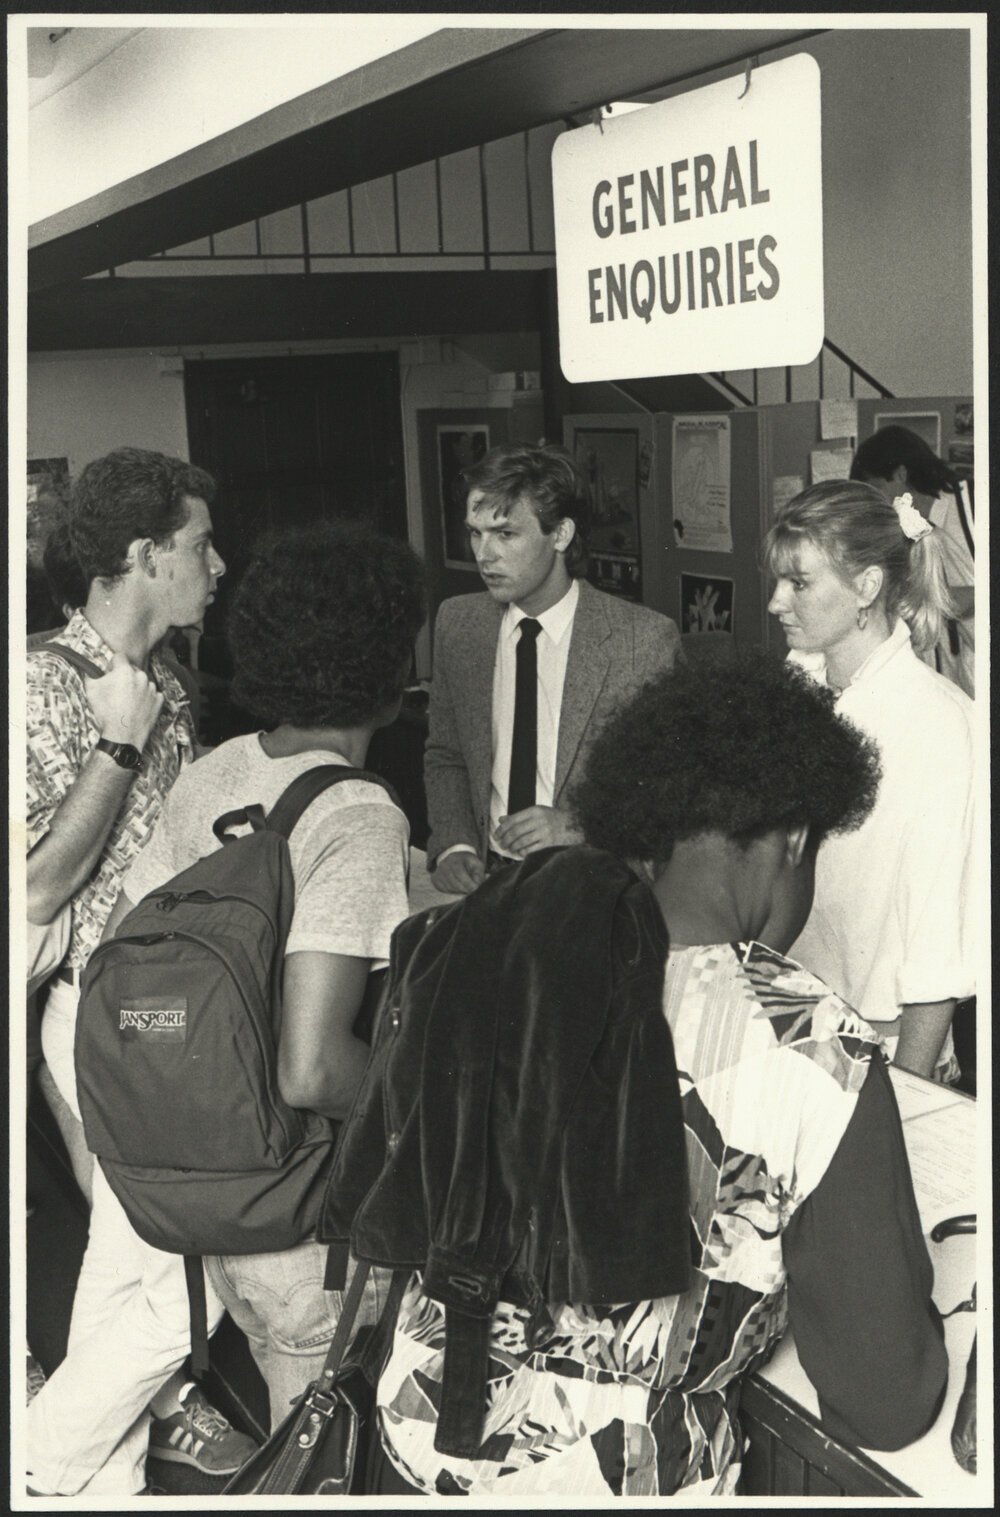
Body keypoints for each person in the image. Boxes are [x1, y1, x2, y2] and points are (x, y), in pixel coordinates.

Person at [370, 655, 947, 1497]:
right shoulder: (816, 1045)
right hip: (617, 1482)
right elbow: (883, 1400)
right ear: (793, 840)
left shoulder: (483, 941)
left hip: (412, 1447)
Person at [107, 521, 427, 1431]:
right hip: (309, 1228)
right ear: (382, 658)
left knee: (299, 1438)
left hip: (217, 1200)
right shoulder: (360, 811)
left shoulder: (215, 772)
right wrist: (435, 1110)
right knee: (329, 1460)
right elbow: (314, 1066)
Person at [25, 447, 251, 1495]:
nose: (218, 563)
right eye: (200, 544)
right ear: (143, 552)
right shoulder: (37, 684)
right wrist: (116, 750)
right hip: (103, 1014)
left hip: (174, 1016)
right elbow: (31, 891)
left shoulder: (169, 678)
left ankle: (90, 1478)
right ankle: (46, 1456)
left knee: (130, 1269)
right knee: (176, 1273)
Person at [765, 479, 976, 1079]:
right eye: (779, 581)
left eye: (799, 583)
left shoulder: (937, 724)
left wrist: (909, 1095)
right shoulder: (795, 686)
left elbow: (938, 947)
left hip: (878, 1043)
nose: (778, 602)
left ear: (866, 587)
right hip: (787, 1012)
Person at [424, 442, 682, 894]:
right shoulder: (458, 623)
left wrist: (578, 826)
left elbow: (675, 786)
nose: (484, 555)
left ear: (560, 535)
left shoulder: (642, 641)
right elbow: (447, 754)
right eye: (475, 533)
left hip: (595, 881)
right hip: (489, 879)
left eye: (505, 535)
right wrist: (454, 845)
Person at [851, 424, 975, 697]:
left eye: (877, 487)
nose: (875, 501)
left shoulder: (976, 503)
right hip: (957, 675)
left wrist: (951, 598)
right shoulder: (908, 526)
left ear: (901, 474)